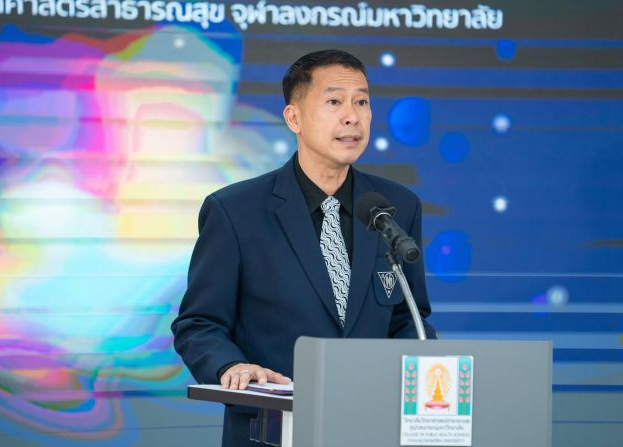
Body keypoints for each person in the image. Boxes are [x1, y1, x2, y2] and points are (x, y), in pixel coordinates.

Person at [171, 49, 437, 446]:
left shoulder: (394, 206)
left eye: (361, 102)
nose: (352, 117)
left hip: (370, 427)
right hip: (270, 430)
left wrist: (414, 366)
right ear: (293, 118)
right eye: (334, 102)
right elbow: (199, 323)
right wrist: (231, 366)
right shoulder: (235, 211)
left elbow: (409, 317)